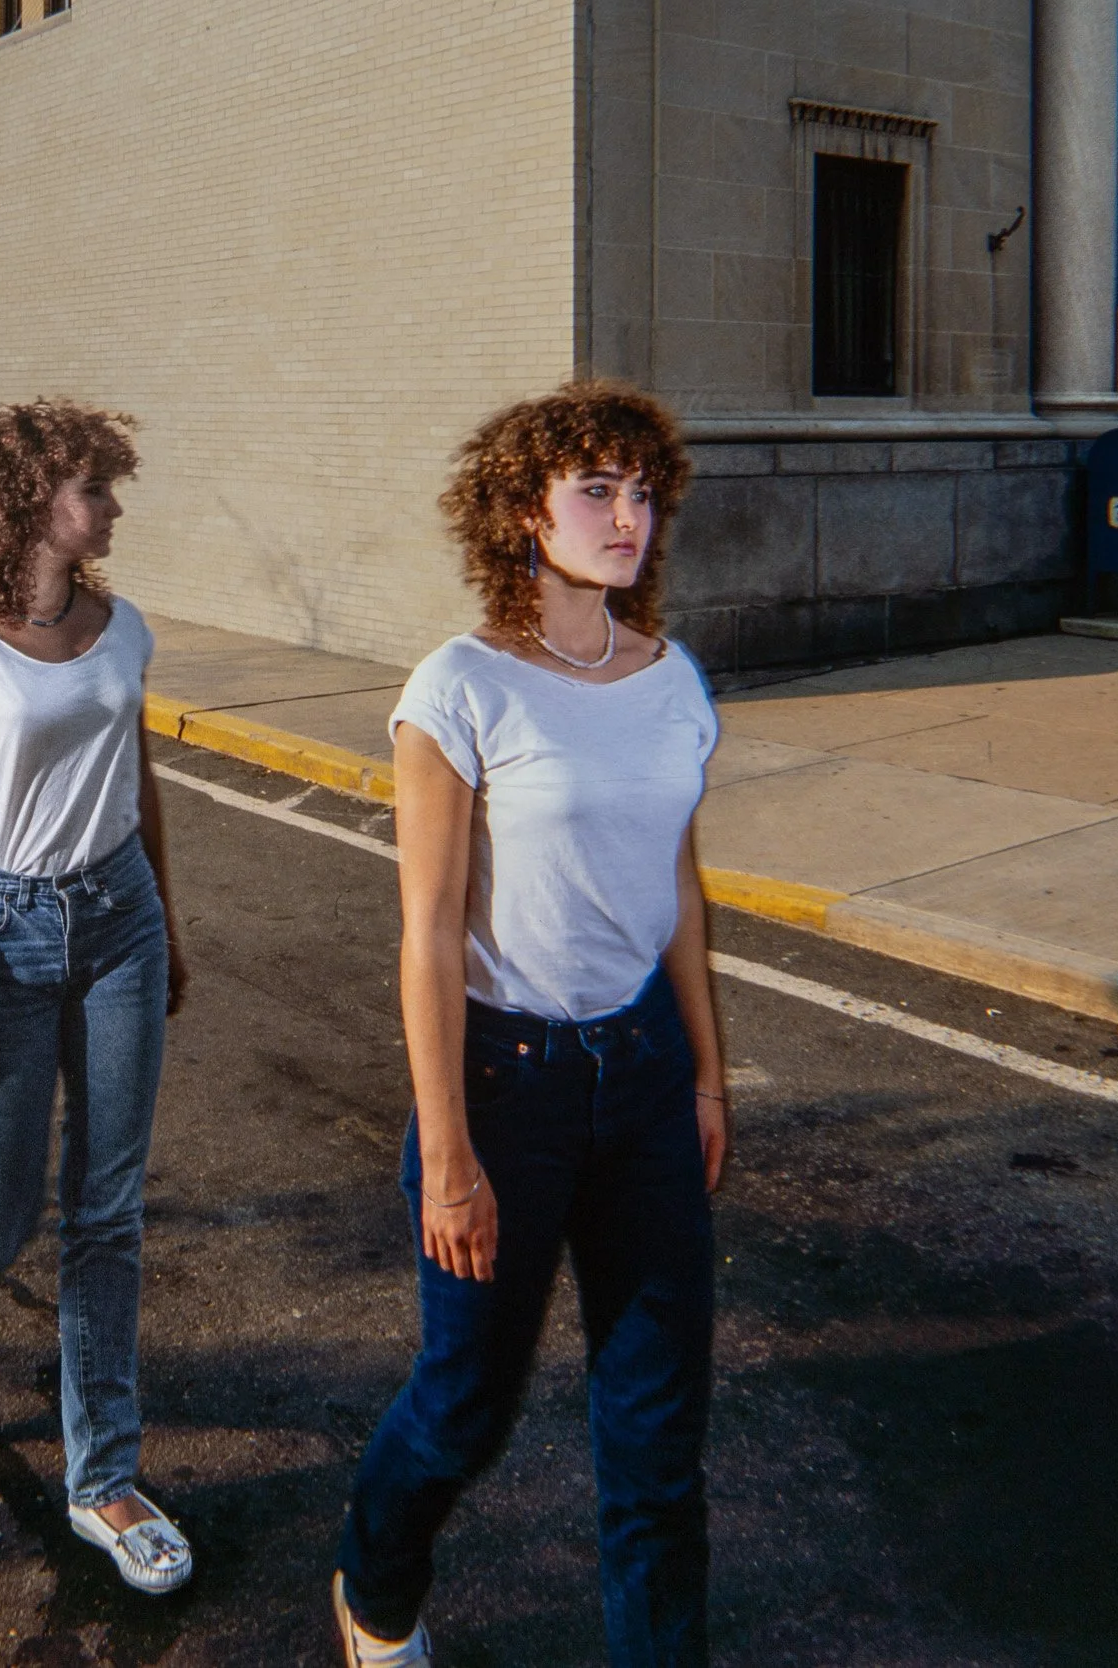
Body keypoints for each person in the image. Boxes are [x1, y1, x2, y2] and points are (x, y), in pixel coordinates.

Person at [333, 381, 728, 1667]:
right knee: (464, 1412)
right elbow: (431, 929)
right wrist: (447, 1154)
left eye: (641, 489)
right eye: (595, 490)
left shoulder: (671, 679)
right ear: (523, 512)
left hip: (647, 1075)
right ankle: (375, 1588)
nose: (629, 516)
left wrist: (707, 1079)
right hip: (509, 1087)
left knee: (659, 1438)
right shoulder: (459, 688)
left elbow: (677, 885)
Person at [0, 398, 194, 1596]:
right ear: (29, 504)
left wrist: (169, 919)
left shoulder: (124, 631)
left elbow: (136, 778)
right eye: (93, 488)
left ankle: (103, 1477)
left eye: (110, 485)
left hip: (119, 922)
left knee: (106, 1212)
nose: (112, 506)